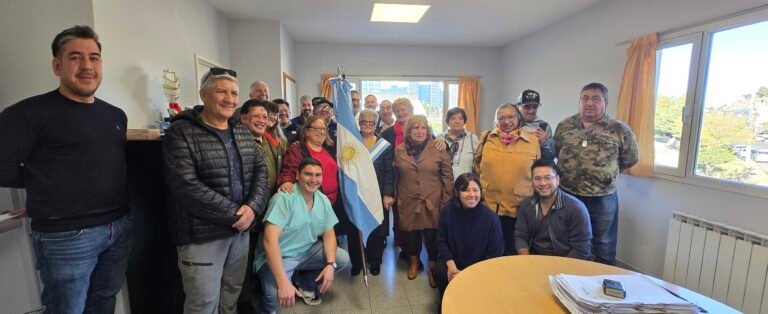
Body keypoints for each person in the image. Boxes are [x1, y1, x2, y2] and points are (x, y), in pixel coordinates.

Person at [0, 25, 133, 313]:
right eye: (75, 57)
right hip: (65, 236)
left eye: (94, 58)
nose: (87, 66)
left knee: (104, 301)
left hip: (119, 227)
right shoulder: (28, 113)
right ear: (57, 65)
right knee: (66, 309)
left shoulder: (115, 115)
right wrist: (42, 185)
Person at [163, 67, 270, 313]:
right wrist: (237, 215)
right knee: (203, 303)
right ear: (204, 95)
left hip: (240, 233)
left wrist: (253, 208)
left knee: (230, 296)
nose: (229, 99)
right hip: (202, 236)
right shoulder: (181, 131)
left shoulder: (241, 131)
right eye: (222, 91)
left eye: (234, 93)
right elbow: (185, 185)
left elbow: (261, 172)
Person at [554, 82, 638, 265]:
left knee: (604, 245)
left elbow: (630, 159)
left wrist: (606, 173)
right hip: (567, 194)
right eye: (585, 98)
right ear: (579, 101)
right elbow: (557, 150)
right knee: (566, 239)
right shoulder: (565, 126)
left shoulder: (619, 129)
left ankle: (602, 279)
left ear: (605, 103)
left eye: (595, 99)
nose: (589, 103)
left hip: (602, 197)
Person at [254, 157, 350, 312]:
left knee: (342, 258)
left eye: (318, 175)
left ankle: (304, 283)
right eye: (308, 174)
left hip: (305, 252)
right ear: (298, 175)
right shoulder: (284, 198)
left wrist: (330, 265)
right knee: (276, 299)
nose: (313, 179)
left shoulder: (323, 200)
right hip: (279, 256)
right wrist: (283, 283)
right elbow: (269, 241)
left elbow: (329, 234)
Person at [277, 116, 364, 276]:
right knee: (316, 241)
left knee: (345, 229)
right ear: (306, 131)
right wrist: (286, 181)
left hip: (335, 201)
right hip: (313, 202)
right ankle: (309, 279)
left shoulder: (329, 148)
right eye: (316, 128)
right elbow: (289, 168)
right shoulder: (297, 149)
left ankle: (352, 265)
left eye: (323, 129)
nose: (321, 132)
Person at [394, 115, 454, 287]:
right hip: (408, 201)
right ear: (408, 131)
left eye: (423, 128)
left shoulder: (438, 148)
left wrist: (445, 203)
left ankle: (433, 267)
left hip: (433, 201)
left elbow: (448, 178)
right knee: (411, 236)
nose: (420, 132)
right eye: (415, 128)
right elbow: (396, 176)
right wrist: (397, 198)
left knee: (432, 236)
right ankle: (413, 262)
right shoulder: (399, 149)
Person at [473, 103, 541, 255]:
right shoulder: (486, 137)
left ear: (518, 118)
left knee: (513, 251)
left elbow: (539, 170)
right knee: (488, 249)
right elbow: (476, 165)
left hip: (519, 208)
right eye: (501, 118)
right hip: (489, 206)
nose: (506, 121)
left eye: (510, 117)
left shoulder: (533, 140)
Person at [435, 173, 504, 301]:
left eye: (475, 190)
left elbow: (494, 253)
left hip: (480, 267)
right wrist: (452, 269)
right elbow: (441, 241)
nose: (472, 194)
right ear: (457, 193)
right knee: (440, 271)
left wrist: (468, 274)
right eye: (466, 190)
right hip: (454, 263)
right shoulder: (447, 212)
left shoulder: (491, 218)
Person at [514, 159, 592, 259]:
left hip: (566, 262)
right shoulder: (526, 204)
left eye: (548, 178)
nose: (542, 183)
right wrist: (527, 260)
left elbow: (581, 249)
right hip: (534, 259)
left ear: (557, 180)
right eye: (537, 179)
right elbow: (521, 236)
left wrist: (558, 267)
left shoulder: (576, 208)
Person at [358, 109, 395, 276]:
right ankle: (359, 260)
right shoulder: (352, 142)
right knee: (358, 228)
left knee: (377, 230)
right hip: (358, 194)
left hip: (378, 194)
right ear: (359, 123)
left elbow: (388, 172)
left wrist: (388, 194)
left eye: (371, 122)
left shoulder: (383, 146)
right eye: (364, 122)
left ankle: (375, 261)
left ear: (376, 125)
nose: (367, 125)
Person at [438, 107, 479, 179]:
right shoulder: (440, 138)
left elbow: (479, 160)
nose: (457, 121)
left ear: (464, 121)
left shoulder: (472, 138)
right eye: (453, 118)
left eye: (460, 118)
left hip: (465, 183)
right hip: (443, 182)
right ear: (447, 121)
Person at [517, 89, 555, 161]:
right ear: (518, 106)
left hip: (536, 166)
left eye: (535, 107)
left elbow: (551, 157)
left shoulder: (543, 127)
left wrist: (545, 143)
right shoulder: (510, 125)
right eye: (527, 107)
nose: (531, 111)